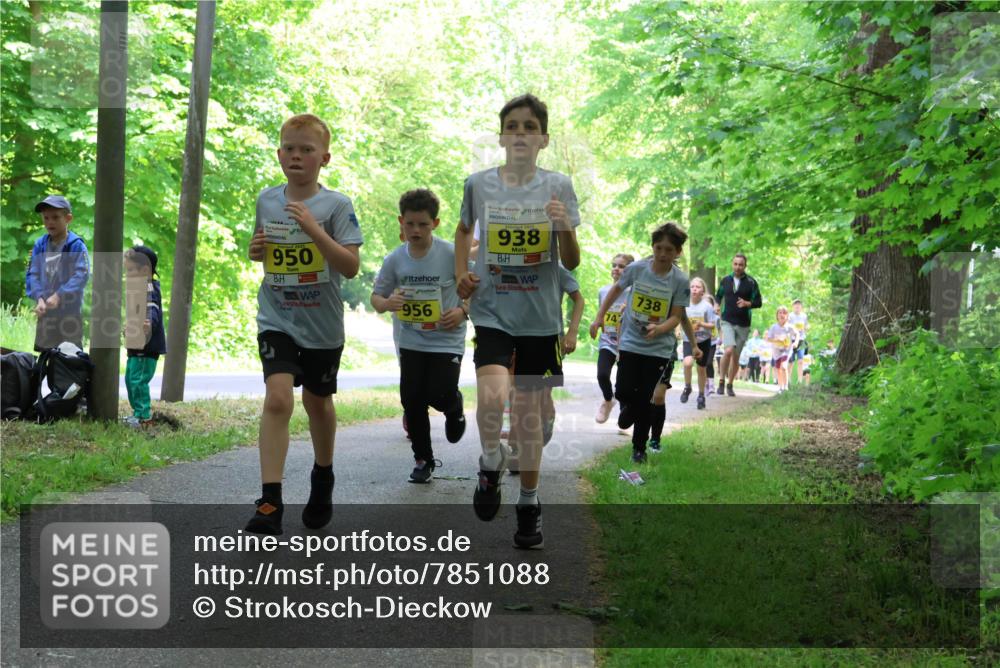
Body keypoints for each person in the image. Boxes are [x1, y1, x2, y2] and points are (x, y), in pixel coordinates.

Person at [455, 93, 581, 549]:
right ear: (502, 136)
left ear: (543, 139)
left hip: (541, 321)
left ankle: (528, 504)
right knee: (491, 399)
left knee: (528, 420)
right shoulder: (479, 184)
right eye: (513, 126)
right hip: (492, 311)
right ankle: (491, 463)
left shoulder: (559, 186)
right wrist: (460, 276)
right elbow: (463, 230)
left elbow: (572, 259)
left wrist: (563, 224)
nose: (521, 134)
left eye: (530, 127)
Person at [245, 113, 363, 535]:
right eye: (289, 149)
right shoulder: (267, 199)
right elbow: (261, 249)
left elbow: (350, 266)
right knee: (278, 399)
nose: (297, 156)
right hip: (277, 316)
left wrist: (315, 230)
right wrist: (256, 249)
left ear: (324, 158)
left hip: (322, 326)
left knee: (317, 402)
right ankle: (270, 501)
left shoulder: (336, 205)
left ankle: (323, 475)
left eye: (306, 150)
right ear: (279, 155)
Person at [372, 189, 467, 483]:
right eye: (410, 224)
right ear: (401, 222)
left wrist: (463, 311)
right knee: (412, 399)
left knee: (438, 394)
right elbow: (376, 297)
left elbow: (476, 289)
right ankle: (423, 459)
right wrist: (387, 304)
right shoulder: (395, 259)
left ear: (435, 223)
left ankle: (454, 407)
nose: (415, 230)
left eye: (423, 224)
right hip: (411, 339)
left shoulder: (451, 254)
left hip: (446, 339)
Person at [594, 223, 699, 464]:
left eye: (669, 250)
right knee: (623, 389)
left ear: (678, 253)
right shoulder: (637, 269)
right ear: (652, 247)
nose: (663, 254)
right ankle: (625, 409)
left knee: (645, 399)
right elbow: (614, 291)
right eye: (659, 248)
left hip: (659, 348)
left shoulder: (680, 280)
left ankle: (639, 448)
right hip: (631, 341)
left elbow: (676, 315)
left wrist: (660, 329)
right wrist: (600, 316)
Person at [508, 265, 584, 474]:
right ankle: (516, 448)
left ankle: (547, 415)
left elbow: (578, 299)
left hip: (549, 338)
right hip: (513, 335)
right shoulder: (510, 263)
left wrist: (572, 332)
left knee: (542, 395)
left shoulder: (556, 269)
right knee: (517, 394)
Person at [25, 195, 90, 352]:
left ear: (68, 218)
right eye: (46, 218)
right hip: (46, 314)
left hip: (69, 314)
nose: (50, 222)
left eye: (55, 217)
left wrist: (59, 295)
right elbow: (32, 274)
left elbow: (82, 274)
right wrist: (39, 298)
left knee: (70, 358)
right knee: (45, 356)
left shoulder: (76, 245)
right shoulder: (40, 244)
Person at [123, 246, 165, 428]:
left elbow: (152, 308)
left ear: (146, 270)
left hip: (146, 346)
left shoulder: (149, 287)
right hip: (135, 345)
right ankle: (137, 414)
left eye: (131, 270)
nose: (128, 274)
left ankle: (144, 417)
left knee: (138, 381)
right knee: (129, 379)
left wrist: (148, 322)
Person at [589, 253, 633, 423]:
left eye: (621, 266)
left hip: (628, 343)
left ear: (629, 270)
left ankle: (624, 416)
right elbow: (603, 314)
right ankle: (608, 400)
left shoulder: (633, 292)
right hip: (608, 340)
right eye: (614, 265)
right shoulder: (603, 291)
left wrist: (627, 312)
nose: (616, 268)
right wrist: (597, 323)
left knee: (624, 384)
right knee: (602, 374)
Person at [714, 253, 762, 397]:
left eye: (741, 264)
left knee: (736, 356)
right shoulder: (725, 281)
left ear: (745, 266)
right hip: (727, 320)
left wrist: (748, 303)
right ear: (732, 264)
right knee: (728, 351)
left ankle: (730, 384)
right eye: (735, 264)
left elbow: (759, 302)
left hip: (743, 324)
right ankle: (721, 382)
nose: (738, 267)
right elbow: (718, 296)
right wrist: (716, 305)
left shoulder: (751, 283)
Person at [678, 277, 715, 411]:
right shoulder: (684, 304)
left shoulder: (707, 306)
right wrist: (677, 331)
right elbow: (678, 319)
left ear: (702, 291)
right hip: (688, 339)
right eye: (692, 286)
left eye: (697, 287)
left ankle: (701, 396)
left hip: (704, 341)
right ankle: (687, 387)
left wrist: (701, 324)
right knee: (687, 363)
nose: (694, 289)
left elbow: (712, 325)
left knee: (701, 369)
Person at [766, 306, 798, 392]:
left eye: (784, 313)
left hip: (787, 350)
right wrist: (777, 340)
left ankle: (786, 387)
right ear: (777, 316)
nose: (782, 315)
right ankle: (781, 387)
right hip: (776, 351)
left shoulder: (789, 327)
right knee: (778, 369)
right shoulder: (773, 327)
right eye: (780, 313)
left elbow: (797, 334)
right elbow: (768, 339)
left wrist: (796, 342)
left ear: (787, 316)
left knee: (784, 366)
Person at [788, 299, 810, 384]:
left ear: (801, 307)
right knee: (791, 361)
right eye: (796, 305)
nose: (797, 306)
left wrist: (807, 327)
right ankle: (788, 379)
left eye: (799, 305)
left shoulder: (804, 316)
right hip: (792, 340)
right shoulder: (790, 316)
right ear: (793, 306)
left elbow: (807, 325)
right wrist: (794, 330)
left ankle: (800, 380)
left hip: (802, 340)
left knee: (801, 361)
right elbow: (787, 327)